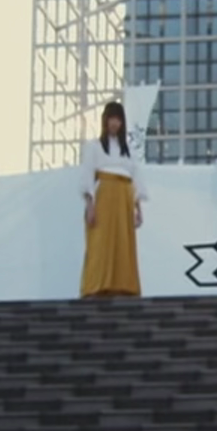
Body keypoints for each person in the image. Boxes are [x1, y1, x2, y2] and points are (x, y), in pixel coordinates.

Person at [80, 100, 145, 298]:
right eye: (111, 119)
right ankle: (96, 286)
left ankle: (123, 287)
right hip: (104, 195)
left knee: (123, 243)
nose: (115, 123)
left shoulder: (129, 150)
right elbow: (87, 175)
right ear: (105, 121)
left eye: (118, 119)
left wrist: (138, 208)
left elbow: (136, 178)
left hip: (124, 196)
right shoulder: (94, 146)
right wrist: (90, 205)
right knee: (100, 241)